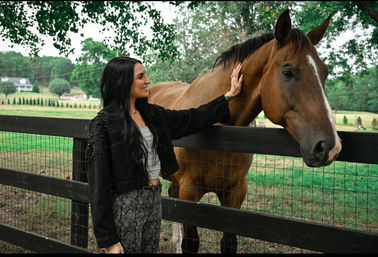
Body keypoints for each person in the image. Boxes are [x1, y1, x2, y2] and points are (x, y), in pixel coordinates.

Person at [85, 56, 243, 254]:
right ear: (123, 82)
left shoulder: (152, 115)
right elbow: (98, 185)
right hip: (126, 205)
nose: (148, 80)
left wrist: (227, 96)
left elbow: (192, 118)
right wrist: (108, 240)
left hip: (153, 200)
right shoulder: (102, 124)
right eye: (141, 76)